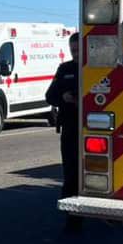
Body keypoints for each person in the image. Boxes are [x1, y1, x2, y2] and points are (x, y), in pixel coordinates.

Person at [45, 33, 81, 202]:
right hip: (70, 127)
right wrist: (64, 97)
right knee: (71, 173)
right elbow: (50, 96)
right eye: (73, 50)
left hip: (96, 126)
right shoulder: (65, 69)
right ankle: (72, 218)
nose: (76, 53)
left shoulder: (100, 68)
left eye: (79, 49)